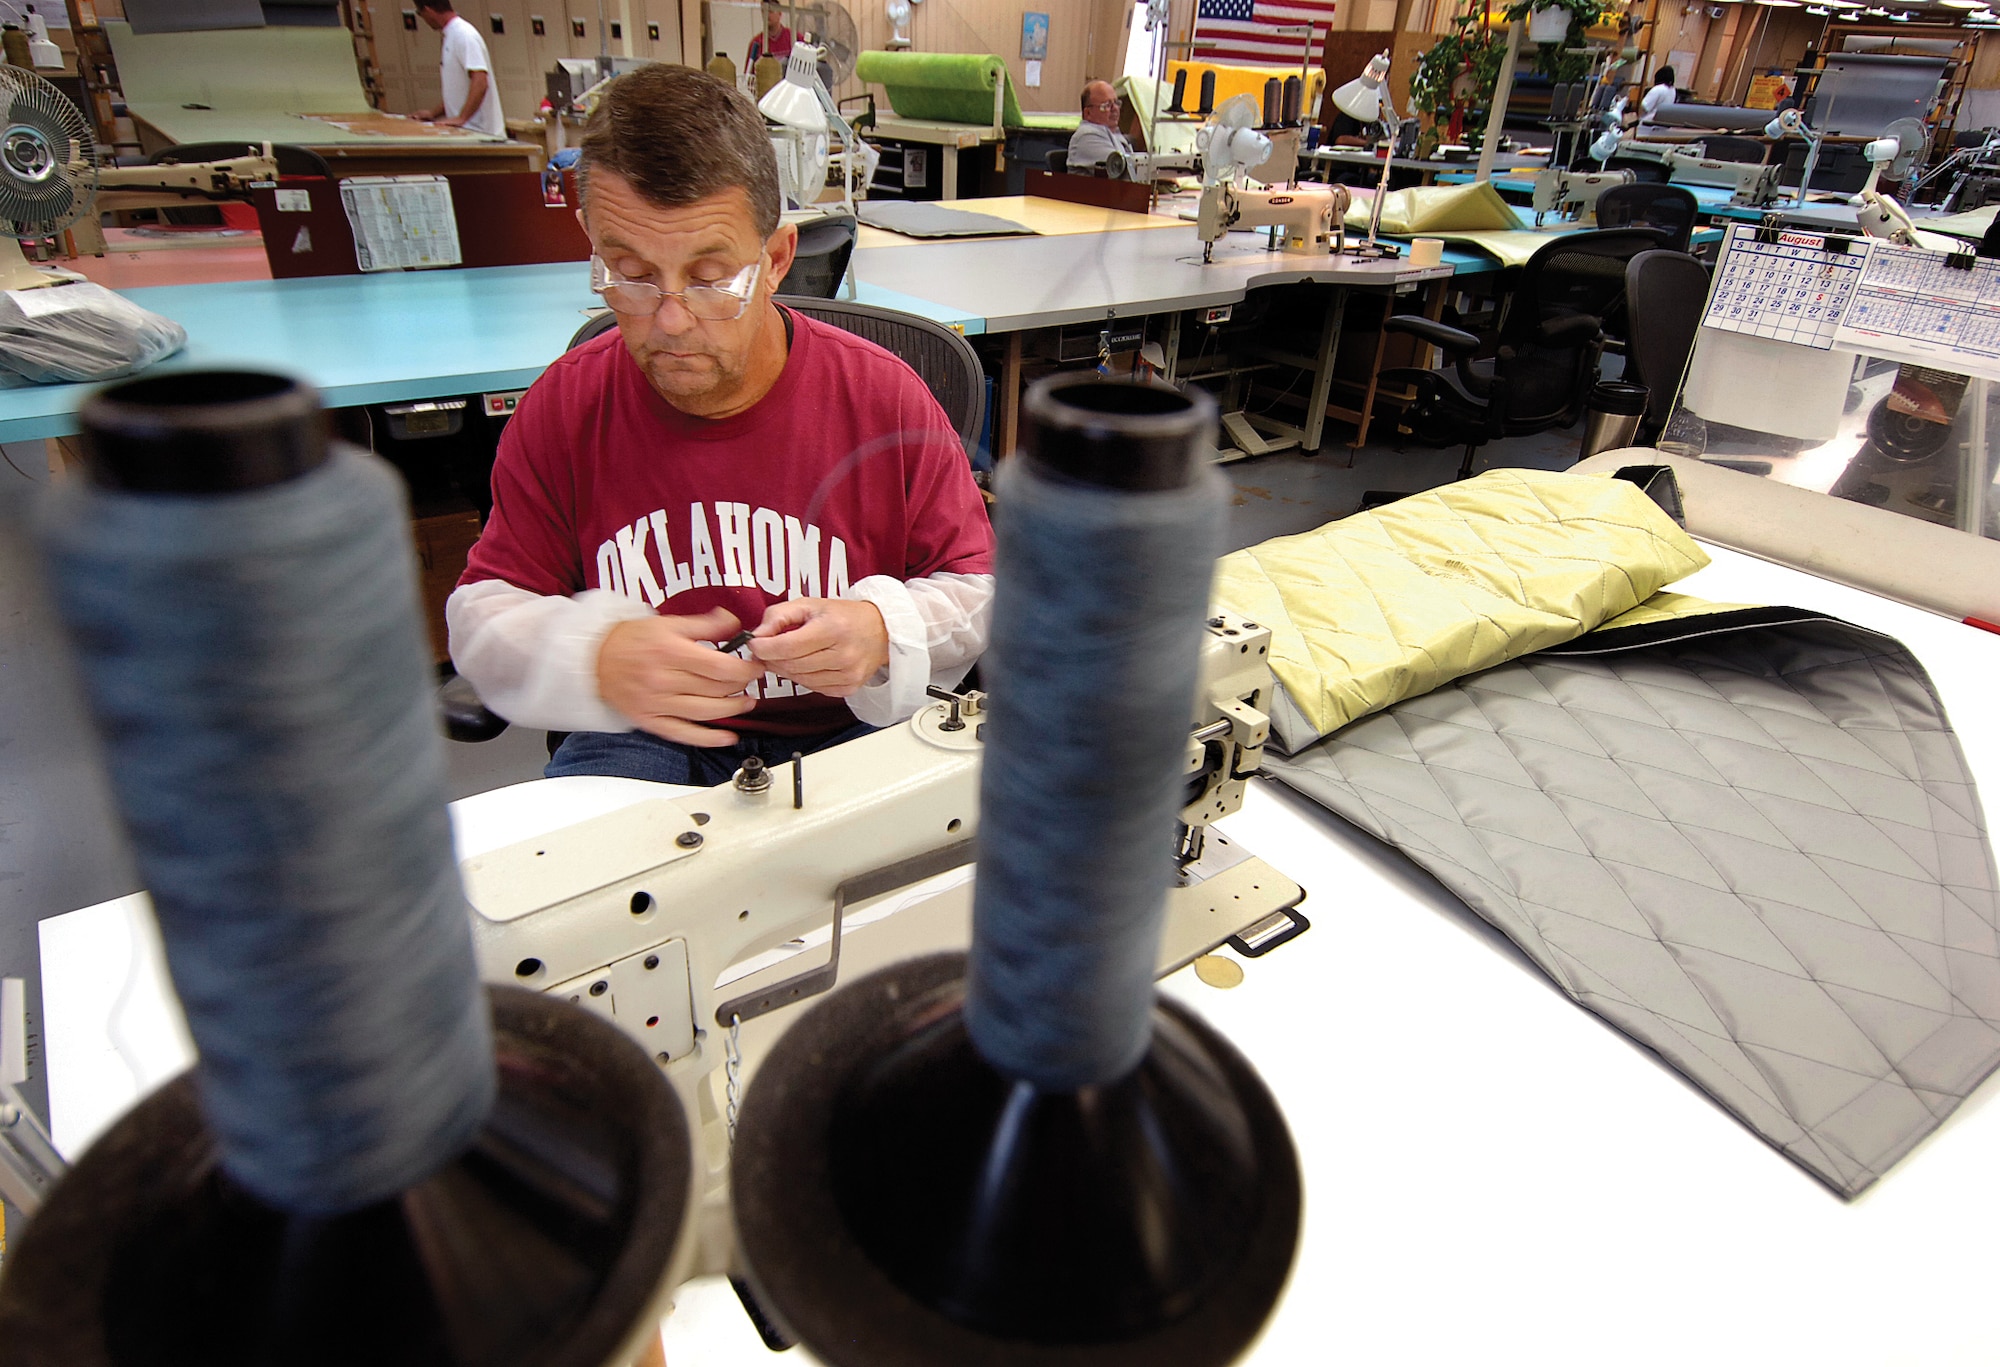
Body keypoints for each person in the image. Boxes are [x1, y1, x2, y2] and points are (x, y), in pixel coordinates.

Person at [448, 64, 994, 785]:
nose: (670, 322)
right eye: (631, 273)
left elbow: (979, 590)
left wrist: (882, 627)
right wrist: (595, 655)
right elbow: (482, 613)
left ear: (773, 260)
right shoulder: (564, 407)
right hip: (644, 735)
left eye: (710, 278)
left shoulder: (882, 399)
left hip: (844, 730)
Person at [412, 0, 506, 136]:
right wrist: (433, 113)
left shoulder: (464, 35)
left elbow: (480, 82)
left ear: (428, 10)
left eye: (420, 14)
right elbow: (458, 92)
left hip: (481, 133)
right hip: (466, 131)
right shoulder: (450, 35)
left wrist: (462, 118)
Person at [1066, 81, 1133, 171]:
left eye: (1116, 103)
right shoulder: (1087, 136)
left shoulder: (1114, 133)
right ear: (1088, 113)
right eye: (1107, 105)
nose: (1115, 109)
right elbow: (1122, 170)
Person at [746, 3, 794, 68]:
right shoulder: (756, 43)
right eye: (763, 11)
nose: (767, 15)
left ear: (780, 13)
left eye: (770, 11)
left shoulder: (794, 38)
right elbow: (748, 73)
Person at [1638, 66, 1676, 134]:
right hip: (1663, 124)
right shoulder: (1673, 90)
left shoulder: (1657, 89)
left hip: (1648, 124)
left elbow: (1644, 106)